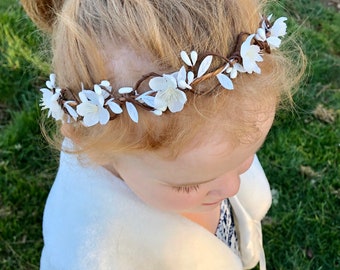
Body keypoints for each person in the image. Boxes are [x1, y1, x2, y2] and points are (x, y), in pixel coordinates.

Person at [21, 0, 303, 269]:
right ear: (92, 146)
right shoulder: (94, 254)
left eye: (244, 158)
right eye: (188, 185)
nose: (232, 187)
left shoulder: (190, 162)